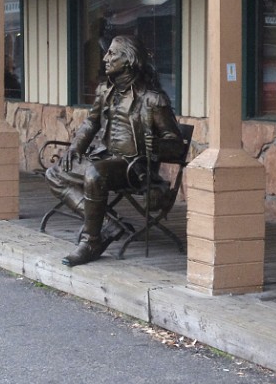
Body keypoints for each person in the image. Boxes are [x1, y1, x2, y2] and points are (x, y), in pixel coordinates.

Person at [45, 35, 183, 266]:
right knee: (55, 173)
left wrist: (159, 146)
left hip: (133, 167)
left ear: (128, 60)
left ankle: (91, 241)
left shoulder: (152, 99)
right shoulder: (104, 91)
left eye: (112, 54)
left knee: (95, 174)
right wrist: (76, 148)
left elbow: (176, 144)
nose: (105, 58)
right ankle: (110, 224)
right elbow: (91, 123)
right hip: (105, 159)